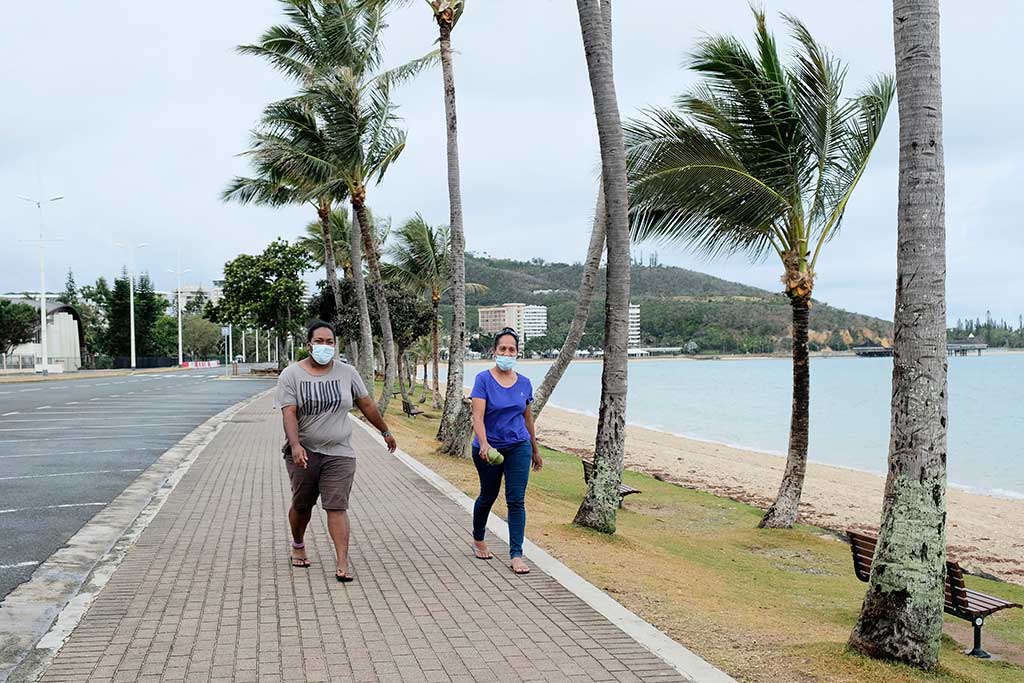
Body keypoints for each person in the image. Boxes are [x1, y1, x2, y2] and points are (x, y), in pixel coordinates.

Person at [275, 319, 397, 582]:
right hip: (304, 452)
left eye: (329, 342)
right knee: (302, 504)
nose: (325, 346)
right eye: (319, 341)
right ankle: (298, 543)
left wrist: (385, 431)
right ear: (308, 345)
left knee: (336, 506)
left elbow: (366, 405)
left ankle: (342, 562)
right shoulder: (291, 375)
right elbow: (289, 413)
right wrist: (295, 445)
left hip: (340, 453)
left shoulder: (347, 372)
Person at [469, 327, 542, 575]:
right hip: (488, 449)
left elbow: (528, 419)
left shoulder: (524, 383)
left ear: (517, 353)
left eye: (512, 349)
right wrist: (485, 444)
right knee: (488, 496)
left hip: (518, 446)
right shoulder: (483, 379)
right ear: (494, 351)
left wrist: (534, 448)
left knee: (516, 500)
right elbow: (477, 417)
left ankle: (516, 554)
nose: (507, 353)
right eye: (503, 349)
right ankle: (478, 538)